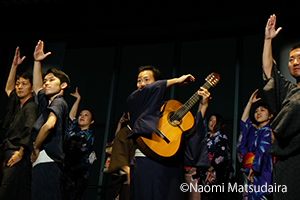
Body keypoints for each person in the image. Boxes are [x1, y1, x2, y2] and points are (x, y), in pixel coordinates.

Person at [127, 65, 211, 200]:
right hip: (145, 161)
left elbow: (191, 131)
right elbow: (148, 91)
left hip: (170, 163)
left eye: (146, 79)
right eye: (139, 80)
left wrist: (204, 105)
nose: (142, 83)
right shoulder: (136, 101)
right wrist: (177, 80)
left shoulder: (170, 107)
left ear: (157, 83)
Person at [262, 14, 299, 199]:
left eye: (299, 58)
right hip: (286, 164)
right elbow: (270, 74)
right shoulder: (289, 91)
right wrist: (268, 40)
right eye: (291, 59)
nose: (295, 62)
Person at [30, 40, 70, 200]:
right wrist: (37, 62)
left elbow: (49, 125)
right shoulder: (48, 102)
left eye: (52, 80)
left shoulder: (59, 101)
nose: (46, 83)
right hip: (43, 161)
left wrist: (35, 146)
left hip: (48, 160)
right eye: (46, 80)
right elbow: (38, 87)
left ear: (63, 85)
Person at [0, 47, 37, 200]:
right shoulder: (17, 103)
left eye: (24, 84)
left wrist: (21, 152)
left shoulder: (31, 107)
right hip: (10, 150)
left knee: (8, 189)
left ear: (32, 89)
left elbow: (29, 129)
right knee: (11, 188)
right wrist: (14, 65)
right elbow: (8, 88)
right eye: (18, 84)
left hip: (18, 152)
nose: (19, 87)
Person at [237, 89, 273, 200]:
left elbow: (263, 149)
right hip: (250, 170)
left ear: (271, 115)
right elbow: (244, 123)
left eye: (262, 110)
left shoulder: (268, 131)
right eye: (256, 111)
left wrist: (255, 168)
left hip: (260, 171)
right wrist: (249, 103)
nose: (258, 113)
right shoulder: (254, 131)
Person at [61, 87, 95, 200]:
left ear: (92, 121)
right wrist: (78, 99)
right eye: (81, 114)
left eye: (86, 115)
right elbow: (71, 117)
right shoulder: (74, 130)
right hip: (65, 172)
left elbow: (78, 149)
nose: (82, 116)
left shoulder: (89, 134)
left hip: (78, 175)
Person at [200, 113, 232, 200]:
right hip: (203, 172)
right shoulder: (204, 137)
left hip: (216, 172)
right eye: (211, 120)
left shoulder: (222, 137)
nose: (213, 122)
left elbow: (220, 156)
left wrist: (210, 169)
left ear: (222, 125)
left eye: (216, 121)